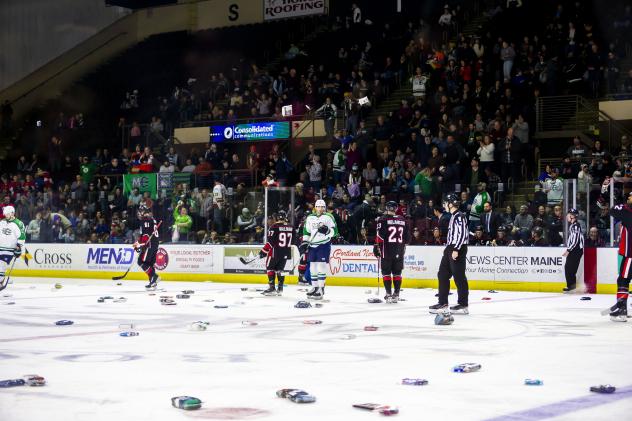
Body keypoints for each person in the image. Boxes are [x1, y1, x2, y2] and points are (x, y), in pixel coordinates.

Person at [429, 193, 470, 314]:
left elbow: (462, 234)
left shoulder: (459, 216)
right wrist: (448, 248)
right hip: (450, 248)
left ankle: (463, 304)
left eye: (445, 203)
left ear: (451, 204)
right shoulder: (453, 216)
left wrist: (456, 249)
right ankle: (443, 303)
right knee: (442, 274)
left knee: (459, 277)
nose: (444, 205)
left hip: (457, 248)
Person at [598, 178, 632, 321]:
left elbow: (612, 210)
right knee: (625, 279)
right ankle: (622, 306)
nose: (628, 196)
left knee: (623, 280)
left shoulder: (627, 211)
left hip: (630, 255)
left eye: (630, 195)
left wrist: (607, 195)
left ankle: (622, 309)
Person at [300, 199, 338, 300]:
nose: (320, 209)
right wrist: (305, 242)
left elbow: (335, 232)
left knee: (321, 267)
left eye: (322, 207)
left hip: (323, 245)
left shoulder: (329, 217)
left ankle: (321, 288)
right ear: (315, 207)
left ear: (324, 207)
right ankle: (314, 287)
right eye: (318, 206)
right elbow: (306, 232)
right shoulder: (310, 218)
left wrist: (327, 230)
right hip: (312, 245)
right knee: (312, 267)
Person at [374, 201, 409, 303]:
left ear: (387, 208)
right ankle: (396, 295)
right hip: (399, 250)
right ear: (396, 208)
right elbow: (407, 238)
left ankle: (388, 295)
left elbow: (380, 236)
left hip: (387, 251)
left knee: (386, 273)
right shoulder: (403, 220)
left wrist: (376, 246)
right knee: (397, 273)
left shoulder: (383, 219)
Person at [259, 211, 293, 296]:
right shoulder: (291, 227)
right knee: (280, 269)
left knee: (270, 267)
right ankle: (280, 288)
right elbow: (293, 241)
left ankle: (272, 288)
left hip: (275, 252)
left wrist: (263, 251)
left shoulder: (274, 227)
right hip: (286, 252)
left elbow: (270, 242)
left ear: (277, 218)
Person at [133, 204, 160, 290]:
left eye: (140, 211)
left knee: (140, 261)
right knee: (149, 263)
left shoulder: (145, 220)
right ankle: (153, 282)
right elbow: (145, 235)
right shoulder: (151, 219)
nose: (139, 213)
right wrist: (138, 243)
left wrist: (139, 245)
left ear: (144, 212)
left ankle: (154, 276)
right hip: (155, 244)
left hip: (150, 244)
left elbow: (146, 236)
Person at [0, 206, 25, 291]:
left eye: (7, 213)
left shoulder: (18, 223)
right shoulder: (2, 222)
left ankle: (0, 281)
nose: (5, 215)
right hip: (0, 247)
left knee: (1, 264)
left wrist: (19, 247)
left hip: (9, 249)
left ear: (12, 213)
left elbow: (22, 236)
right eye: (5, 214)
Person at [562, 208, 584, 293]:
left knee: (569, 268)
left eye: (568, 214)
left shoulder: (575, 226)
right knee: (570, 268)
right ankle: (572, 286)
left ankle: (571, 287)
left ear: (572, 216)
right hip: (576, 249)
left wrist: (568, 250)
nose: (567, 216)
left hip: (575, 250)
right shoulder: (574, 225)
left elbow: (575, 239)